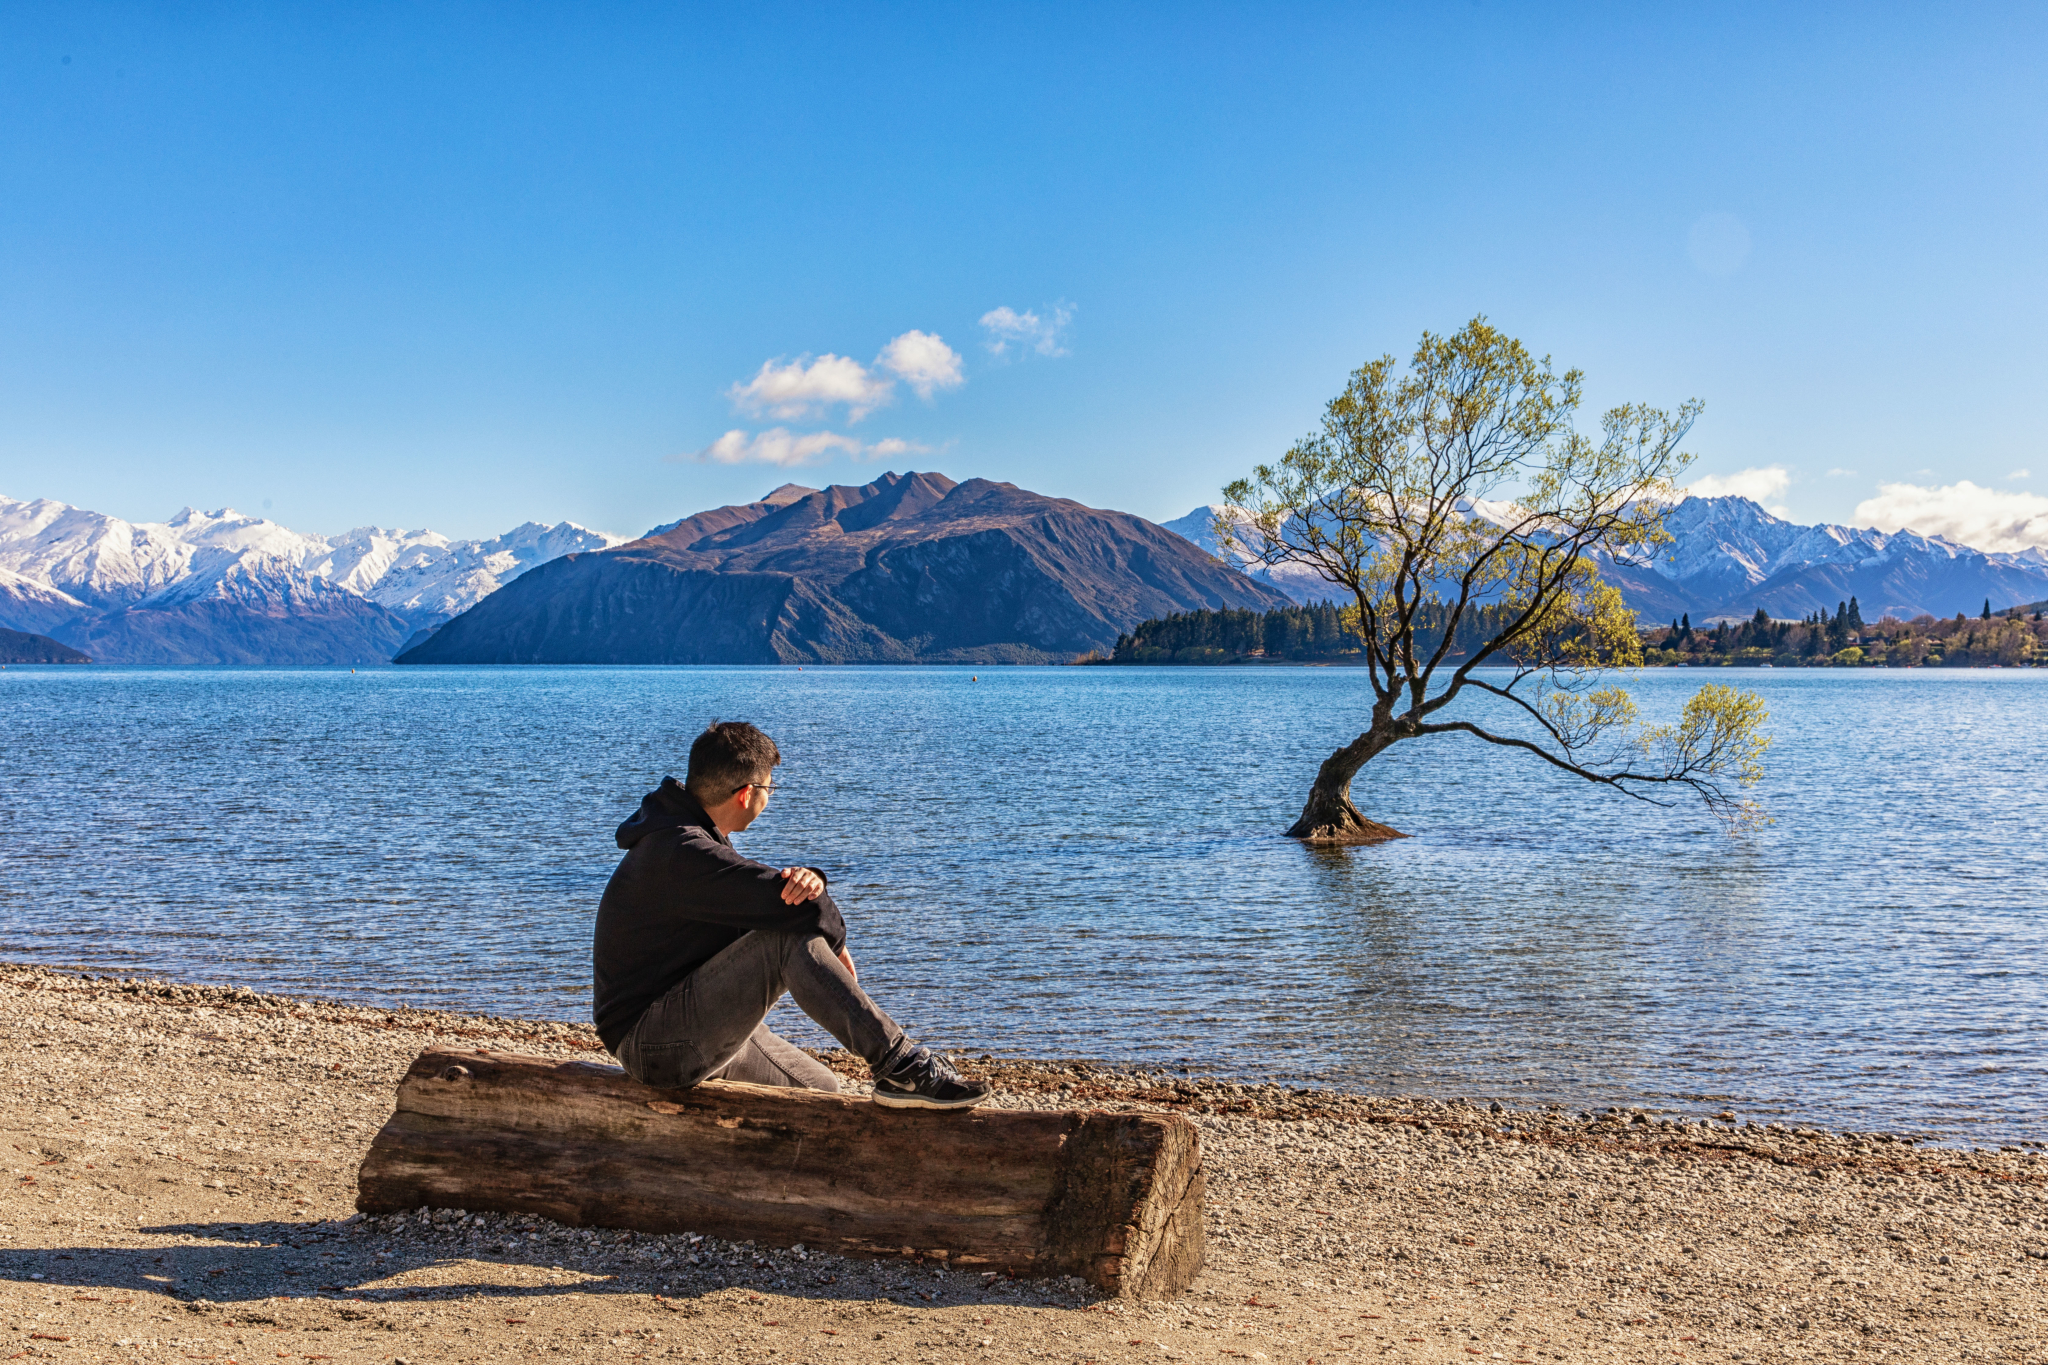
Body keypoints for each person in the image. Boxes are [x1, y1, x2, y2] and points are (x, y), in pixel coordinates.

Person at [592, 720, 988, 1111]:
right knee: (785, 940)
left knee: (819, 1087)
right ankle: (902, 1065)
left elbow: (769, 896)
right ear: (747, 794)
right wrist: (834, 938)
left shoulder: (688, 838)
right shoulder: (680, 851)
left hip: (680, 1025)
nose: (770, 797)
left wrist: (811, 879)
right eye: (770, 788)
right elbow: (796, 909)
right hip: (654, 1043)